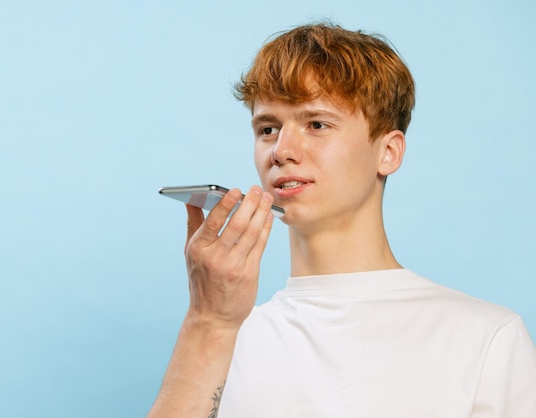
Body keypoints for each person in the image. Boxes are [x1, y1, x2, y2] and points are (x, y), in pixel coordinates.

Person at [147, 22, 536, 417]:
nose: (281, 151)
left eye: (317, 124)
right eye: (268, 128)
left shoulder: (486, 339)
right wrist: (209, 320)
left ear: (388, 152)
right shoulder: (223, 336)